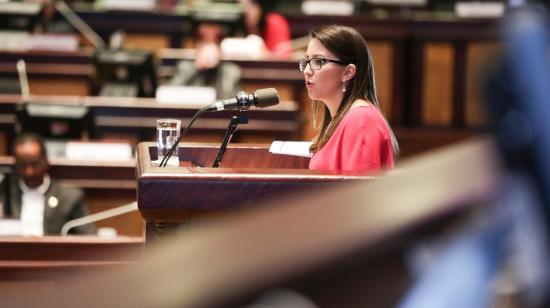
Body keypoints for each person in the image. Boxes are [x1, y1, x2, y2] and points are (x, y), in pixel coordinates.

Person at [301, 25, 399, 173]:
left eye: (318, 61)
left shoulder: (361, 119)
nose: (307, 71)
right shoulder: (343, 118)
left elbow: (359, 192)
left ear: (348, 72)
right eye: (307, 61)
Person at [4, 133, 96, 235]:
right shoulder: (4, 195)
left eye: (35, 164)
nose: (29, 172)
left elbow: (89, 236)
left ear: (45, 160)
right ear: (15, 164)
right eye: (23, 165)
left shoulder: (69, 197)